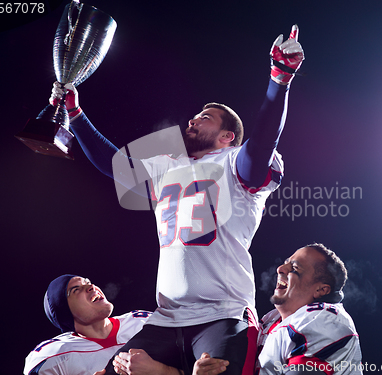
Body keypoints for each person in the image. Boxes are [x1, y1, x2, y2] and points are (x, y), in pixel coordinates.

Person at [50, 25, 305, 375]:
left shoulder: (234, 163)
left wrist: (280, 81)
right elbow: (117, 167)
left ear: (227, 137)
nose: (192, 120)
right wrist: (76, 115)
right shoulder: (168, 168)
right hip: (166, 317)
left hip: (223, 313)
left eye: (205, 118)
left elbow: (261, 145)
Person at [194, 244, 363, 375]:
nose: (281, 269)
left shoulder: (323, 320)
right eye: (286, 263)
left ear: (320, 290)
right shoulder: (271, 320)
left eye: (294, 269)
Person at [23, 275, 164, 375]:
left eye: (87, 282)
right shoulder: (53, 357)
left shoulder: (143, 322)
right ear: (65, 311)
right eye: (75, 289)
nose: (91, 286)